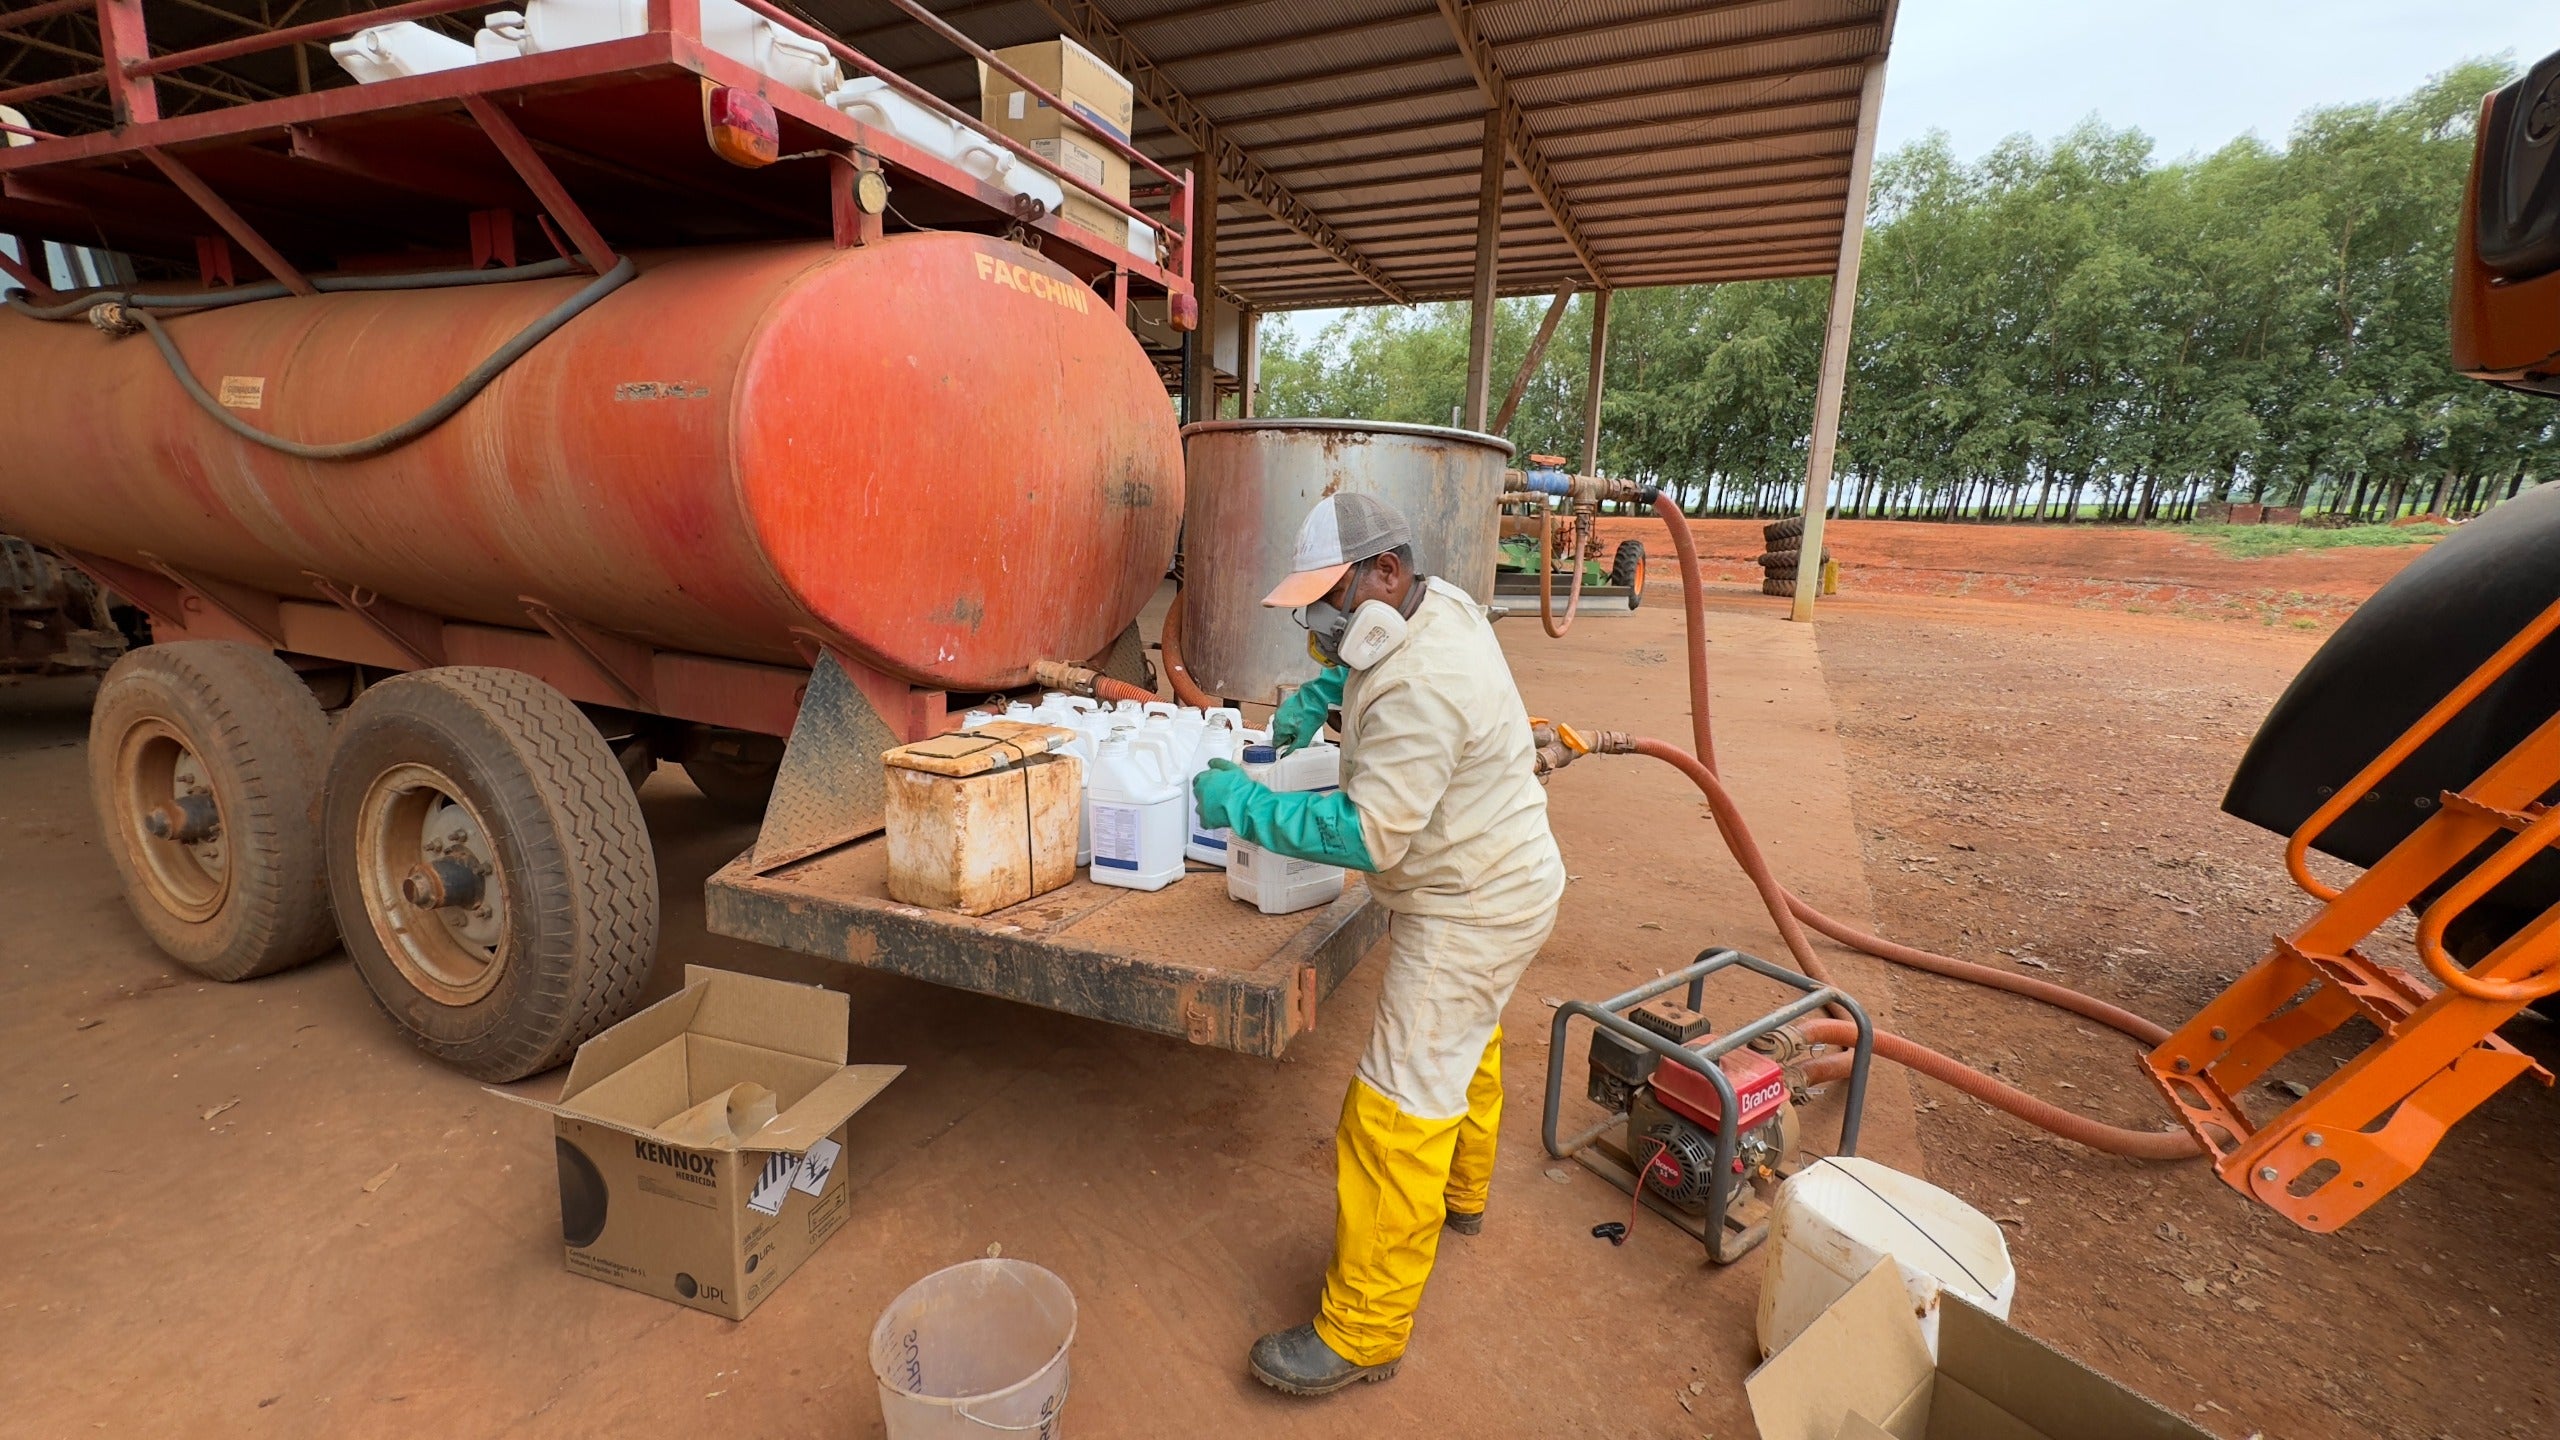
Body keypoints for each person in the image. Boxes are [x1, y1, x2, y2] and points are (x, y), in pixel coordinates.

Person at [1192, 491, 1565, 1397]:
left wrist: (1241, 804)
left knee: (1394, 1108)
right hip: (1512, 878)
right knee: (1464, 1046)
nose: (1318, 622)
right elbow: (1367, 658)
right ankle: (1462, 1197)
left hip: (1467, 904)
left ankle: (1361, 1332)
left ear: (1385, 571)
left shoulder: (1420, 684)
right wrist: (1319, 692)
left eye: (1328, 600)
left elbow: (1368, 836)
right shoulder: (1436, 606)